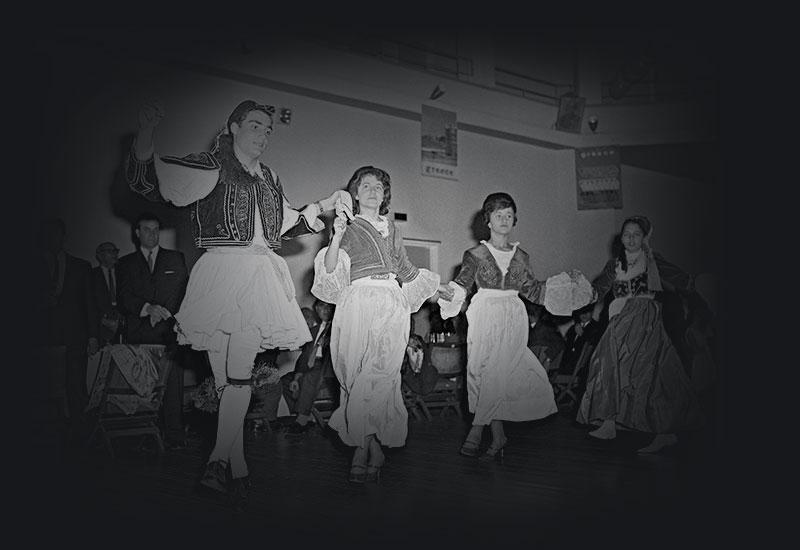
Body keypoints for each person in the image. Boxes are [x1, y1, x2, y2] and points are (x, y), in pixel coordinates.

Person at [125, 99, 349, 503]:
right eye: (254, 126)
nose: (262, 135)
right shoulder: (211, 166)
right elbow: (153, 183)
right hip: (220, 273)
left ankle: (217, 459)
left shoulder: (270, 178)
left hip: (259, 275)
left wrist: (326, 205)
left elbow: (287, 220)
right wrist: (145, 135)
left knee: (240, 367)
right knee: (227, 378)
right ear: (232, 127)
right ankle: (238, 463)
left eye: (268, 129)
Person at [311, 165, 453, 483]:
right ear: (355, 192)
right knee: (358, 378)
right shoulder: (347, 225)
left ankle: (361, 451)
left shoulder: (392, 228)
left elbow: (405, 269)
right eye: (366, 185)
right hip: (359, 302)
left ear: (385, 194)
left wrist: (437, 287)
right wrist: (336, 236)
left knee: (381, 375)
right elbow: (332, 270)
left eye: (380, 186)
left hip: (392, 302)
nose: (373, 190)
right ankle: (373, 446)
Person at [438, 192, 593, 462]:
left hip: (512, 315)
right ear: (487, 220)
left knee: (497, 370)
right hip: (484, 312)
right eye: (498, 215)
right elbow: (463, 283)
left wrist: (565, 289)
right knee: (483, 372)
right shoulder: (475, 254)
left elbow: (533, 292)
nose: (504, 220)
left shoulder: (521, 256)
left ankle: (476, 431)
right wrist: (445, 293)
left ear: (514, 219)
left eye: (509, 215)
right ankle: (499, 436)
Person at [576, 216, 702, 454]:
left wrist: (702, 286)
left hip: (645, 320)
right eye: (626, 234)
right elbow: (599, 289)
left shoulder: (652, 260)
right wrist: (576, 293)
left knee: (650, 374)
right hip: (618, 321)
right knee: (607, 365)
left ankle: (665, 433)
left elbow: (683, 279)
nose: (631, 238)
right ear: (620, 238)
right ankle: (609, 422)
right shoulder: (614, 264)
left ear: (644, 238)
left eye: (636, 234)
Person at [116, 213, 189, 450]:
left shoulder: (175, 258)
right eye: (147, 229)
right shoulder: (125, 264)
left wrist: (166, 310)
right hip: (140, 334)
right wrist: (148, 308)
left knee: (173, 387)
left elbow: (182, 291)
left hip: (169, 332)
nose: (152, 234)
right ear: (137, 233)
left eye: (156, 229)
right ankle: (144, 434)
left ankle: (175, 435)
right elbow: (124, 297)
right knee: (142, 386)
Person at [38, 217, 99, 439]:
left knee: (75, 386)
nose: (52, 238)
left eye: (57, 234)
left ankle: (78, 432)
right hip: (43, 338)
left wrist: (93, 336)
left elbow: (89, 304)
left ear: (64, 237)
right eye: (48, 234)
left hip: (75, 337)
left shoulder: (82, 266)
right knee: (45, 388)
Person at [283, 299, 336, 435]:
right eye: (320, 307)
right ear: (316, 309)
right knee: (285, 381)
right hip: (308, 366)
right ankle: (309, 416)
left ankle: (301, 420)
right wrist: (296, 376)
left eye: (328, 307)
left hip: (326, 367)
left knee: (310, 377)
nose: (324, 310)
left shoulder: (336, 329)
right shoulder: (313, 331)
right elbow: (304, 357)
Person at [91, 241, 123, 346]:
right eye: (110, 251)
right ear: (99, 256)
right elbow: (87, 303)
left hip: (122, 327)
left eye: (115, 251)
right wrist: (103, 321)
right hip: (101, 328)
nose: (114, 254)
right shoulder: (91, 275)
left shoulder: (124, 274)